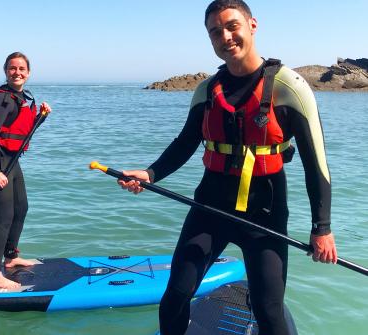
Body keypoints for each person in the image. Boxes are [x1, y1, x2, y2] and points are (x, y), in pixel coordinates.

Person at [117, 1, 337, 334]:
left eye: (232, 26)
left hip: (266, 213)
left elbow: (316, 163)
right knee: (176, 295)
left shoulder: (289, 87)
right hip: (210, 207)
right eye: (215, 31)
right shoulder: (207, 90)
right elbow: (185, 142)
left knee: (269, 310)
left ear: (252, 25)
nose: (225, 36)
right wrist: (149, 174)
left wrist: (322, 228)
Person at [0, 52, 51, 289]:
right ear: (6, 71)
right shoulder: (4, 99)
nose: (17, 72)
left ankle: (10, 257)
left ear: (28, 73)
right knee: (4, 218)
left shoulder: (21, 98)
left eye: (22, 68)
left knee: (22, 208)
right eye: (12, 68)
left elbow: (20, 133)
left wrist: (41, 117)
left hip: (12, 161)